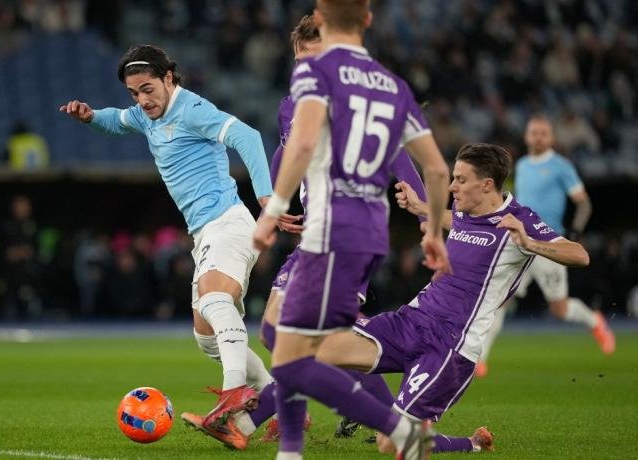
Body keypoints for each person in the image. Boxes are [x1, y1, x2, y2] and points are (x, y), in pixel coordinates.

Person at [252, 1, 451, 458]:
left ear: (323, 23)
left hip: (332, 232)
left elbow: (302, 144)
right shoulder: (394, 87)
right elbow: (437, 169)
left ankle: (400, 430)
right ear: (367, 20)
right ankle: (290, 450)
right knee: (282, 340)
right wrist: (431, 226)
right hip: (367, 233)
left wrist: (272, 209)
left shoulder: (315, 75)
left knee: (292, 350)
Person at [324, 142, 588, 455]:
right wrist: (421, 208)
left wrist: (530, 243)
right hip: (411, 321)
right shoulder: (466, 210)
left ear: (486, 184)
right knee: (319, 348)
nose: (452, 186)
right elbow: (456, 221)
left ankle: (470, 444)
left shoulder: (518, 220)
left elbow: (579, 255)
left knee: (389, 443)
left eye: (461, 180)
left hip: (449, 347)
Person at [59, 44, 275, 417]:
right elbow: (117, 121)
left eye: (148, 89)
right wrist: (91, 116)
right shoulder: (146, 115)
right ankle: (279, 400)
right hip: (205, 232)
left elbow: (249, 137)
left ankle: (234, 392)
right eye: (134, 93)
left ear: (169, 78)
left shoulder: (192, 109)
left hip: (228, 222)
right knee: (207, 338)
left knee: (214, 300)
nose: (142, 100)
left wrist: (267, 198)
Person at [475, 114, 614, 378]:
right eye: (533, 132)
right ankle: (479, 360)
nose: (538, 137)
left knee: (559, 309)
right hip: (518, 243)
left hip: (547, 244)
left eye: (543, 133)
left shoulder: (561, 166)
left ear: (551, 138)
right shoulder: (522, 165)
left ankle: (594, 321)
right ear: (526, 136)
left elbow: (584, 203)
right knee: (500, 300)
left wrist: (575, 231)